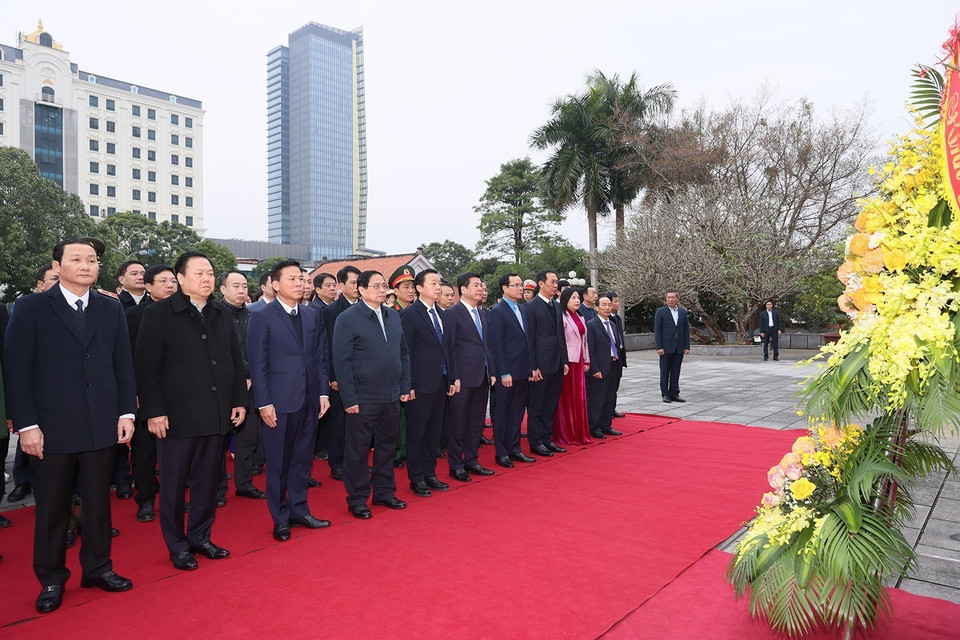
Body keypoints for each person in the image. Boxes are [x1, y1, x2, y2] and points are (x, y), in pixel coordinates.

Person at [5, 237, 136, 613]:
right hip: (51, 425)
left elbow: (123, 365)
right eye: (76, 259)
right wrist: (27, 424)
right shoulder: (31, 308)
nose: (85, 265)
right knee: (52, 508)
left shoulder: (110, 309)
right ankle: (50, 578)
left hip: (101, 422)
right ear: (57, 265)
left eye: (92, 260)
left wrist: (126, 413)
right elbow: (16, 371)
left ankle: (98, 568)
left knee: (99, 504)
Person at [135, 252, 247, 571]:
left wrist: (238, 400)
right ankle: (177, 544)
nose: (206, 278)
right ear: (181, 279)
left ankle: (200, 536)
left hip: (215, 413)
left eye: (210, 273)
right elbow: (146, 368)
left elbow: (234, 361)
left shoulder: (221, 312)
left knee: (208, 482)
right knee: (173, 484)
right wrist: (154, 411)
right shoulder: (158, 314)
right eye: (198, 273)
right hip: (176, 416)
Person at [248, 260, 332, 541]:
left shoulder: (311, 316)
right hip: (278, 402)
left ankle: (299, 510)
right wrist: (264, 403)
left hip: (309, 399)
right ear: (275, 284)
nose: (300, 284)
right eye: (292, 279)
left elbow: (320, 357)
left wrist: (323, 393)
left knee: (301, 460)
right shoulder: (262, 316)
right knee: (278, 463)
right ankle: (280, 517)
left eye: (302, 279)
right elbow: (257, 364)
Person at [332, 270, 411, 519]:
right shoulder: (348, 318)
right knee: (358, 450)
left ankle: (384, 492)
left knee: (387, 446)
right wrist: (350, 398)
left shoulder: (392, 315)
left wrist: (405, 386)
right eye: (375, 286)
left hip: (391, 394)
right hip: (363, 396)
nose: (381, 289)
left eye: (383, 285)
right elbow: (341, 361)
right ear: (362, 290)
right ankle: (357, 498)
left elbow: (403, 354)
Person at [126, 264, 178, 522]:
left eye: (173, 281)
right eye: (163, 281)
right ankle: (146, 497)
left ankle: (174, 497)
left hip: (180, 395)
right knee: (145, 452)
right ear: (148, 286)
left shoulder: (185, 312)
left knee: (176, 452)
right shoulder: (135, 315)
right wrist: (135, 392)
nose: (170, 285)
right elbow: (130, 359)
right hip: (147, 395)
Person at [399, 268, 454, 497]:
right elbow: (406, 352)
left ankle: (430, 473)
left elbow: (447, 350)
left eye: (439, 283)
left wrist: (451, 378)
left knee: (434, 432)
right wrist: (408, 384)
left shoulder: (441, 314)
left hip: (440, 382)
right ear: (419, 288)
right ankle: (416, 478)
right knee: (417, 433)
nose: (438, 287)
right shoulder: (411, 314)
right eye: (433, 283)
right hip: (419, 385)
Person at [217, 271, 267, 503]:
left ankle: (244, 483)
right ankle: (217, 488)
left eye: (245, 286)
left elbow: (261, 349)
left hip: (251, 386)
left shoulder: (254, 315)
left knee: (248, 437)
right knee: (218, 441)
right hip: (222, 386)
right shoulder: (213, 315)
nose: (241, 291)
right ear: (223, 289)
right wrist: (246, 372)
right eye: (235, 286)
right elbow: (224, 352)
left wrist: (253, 374)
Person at [444, 272, 496, 482]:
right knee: (459, 423)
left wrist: (491, 371)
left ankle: (472, 460)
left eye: (481, 285)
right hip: (462, 378)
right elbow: (449, 349)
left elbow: (488, 346)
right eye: (475, 285)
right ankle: (456, 465)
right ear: (463, 289)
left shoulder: (483, 314)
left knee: (476, 422)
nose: (480, 288)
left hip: (482, 375)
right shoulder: (452, 314)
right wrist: (453, 377)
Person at [488, 273, 536, 468]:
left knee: (517, 412)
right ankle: (502, 453)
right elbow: (496, 345)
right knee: (502, 413)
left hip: (523, 370)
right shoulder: (497, 312)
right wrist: (503, 372)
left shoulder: (523, 310)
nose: (520, 288)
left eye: (521, 285)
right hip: (506, 373)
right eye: (515, 285)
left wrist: (532, 367)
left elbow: (528, 341)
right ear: (504, 288)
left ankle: (515, 448)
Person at [322, 265, 362, 480]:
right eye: (353, 282)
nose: (357, 287)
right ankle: (337, 462)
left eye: (359, 282)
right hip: (341, 377)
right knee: (339, 422)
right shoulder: (331, 311)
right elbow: (328, 346)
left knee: (359, 424)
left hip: (364, 376)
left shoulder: (367, 308)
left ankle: (355, 462)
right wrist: (334, 376)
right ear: (341, 285)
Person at [524, 270, 569, 457]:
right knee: (537, 405)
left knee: (550, 404)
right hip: (540, 365)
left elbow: (561, 335)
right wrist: (532, 366)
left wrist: (564, 360)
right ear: (540, 284)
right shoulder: (530, 307)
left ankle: (546, 438)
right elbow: (529, 339)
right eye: (552, 281)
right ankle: (535, 442)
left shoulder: (557, 306)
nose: (555, 285)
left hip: (557, 363)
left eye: (556, 282)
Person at [553, 287, 592, 446]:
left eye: (578, 298)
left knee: (579, 398)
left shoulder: (580, 316)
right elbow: (560, 342)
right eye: (573, 298)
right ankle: (566, 433)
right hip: (568, 362)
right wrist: (564, 361)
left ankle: (579, 431)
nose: (577, 301)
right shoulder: (561, 316)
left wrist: (587, 360)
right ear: (565, 300)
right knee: (567, 399)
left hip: (580, 361)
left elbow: (585, 342)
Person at [586, 295, 624, 439]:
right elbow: (591, 349)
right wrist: (595, 369)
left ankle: (606, 424)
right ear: (597, 308)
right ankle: (594, 427)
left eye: (609, 305)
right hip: (600, 367)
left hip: (613, 365)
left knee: (610, 397)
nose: (607, 308)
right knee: (597, 399)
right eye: (604, 305)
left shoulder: (613, 324)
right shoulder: (591, 324)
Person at [309, 271, 337, 460]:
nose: (332, 288)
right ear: (317, 289)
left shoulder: (334, 308)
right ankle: (319, 446)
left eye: (334, 285)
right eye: (327, 285)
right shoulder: (314, 310)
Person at [654, 290, 690, 403]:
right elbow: (658, 330)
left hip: (679, 347)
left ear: (677, 299)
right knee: (664, 371)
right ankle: (665, 394)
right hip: (665, 347)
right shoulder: (660, 312)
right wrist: (659, 347)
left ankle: (674, 393)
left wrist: (686, 346)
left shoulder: (683, 312)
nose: (670, 299)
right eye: (668, 297)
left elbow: (686, 330)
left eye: (672, 297)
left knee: (676, 371)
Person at [609, 293, 628, 418]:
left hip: (619, 354)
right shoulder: (607, 319)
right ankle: (608, 410)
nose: (618, 304)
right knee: (609, 385)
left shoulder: (617, 318)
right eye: (615, 301)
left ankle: (612, 408)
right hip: (611, 356)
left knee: (616, 382)